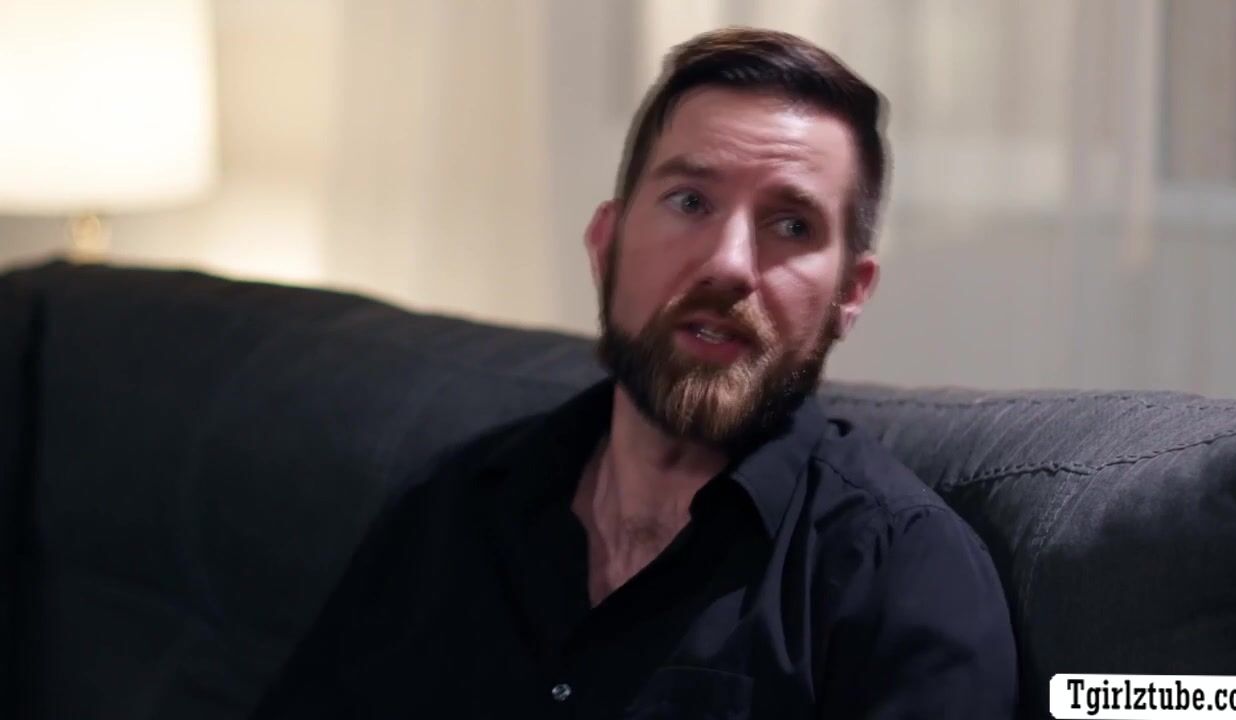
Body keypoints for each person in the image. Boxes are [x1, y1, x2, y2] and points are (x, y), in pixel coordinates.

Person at [253, 26, 1017, 719]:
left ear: (851, 294)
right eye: (690, 201)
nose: (728, 264)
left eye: (791, 225)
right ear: (606, 245)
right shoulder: (454, 509)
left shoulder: (904, 579)